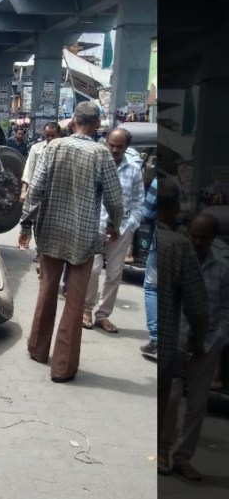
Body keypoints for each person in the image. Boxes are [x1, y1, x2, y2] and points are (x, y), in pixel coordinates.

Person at [18, 101, 123, 383]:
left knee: (47, 290)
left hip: (50, 231)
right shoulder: (102, 155)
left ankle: (38, 349)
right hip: (84, 237)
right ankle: (62, 368)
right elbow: (114, 199)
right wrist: (114, 225)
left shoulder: (53, 148)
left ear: (73, 121)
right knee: (75, 302)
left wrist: (25, 226)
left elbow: (36, 189)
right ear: (97, 124)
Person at [159, 213, 229, 481]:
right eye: (194, 236)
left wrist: (211, 343)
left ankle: (183, 458)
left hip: (206, 347)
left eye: (204, 238)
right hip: (176, 344)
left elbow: (225, 313)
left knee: (197, 406)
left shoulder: (222, 269)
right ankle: (162, 450)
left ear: (213, 239)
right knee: (171, 399)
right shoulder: (179, 259)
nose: (198, 242)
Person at [154, 182, 208, 476]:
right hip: (165, 351)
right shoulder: (179, 245)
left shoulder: (154, 241)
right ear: (174, 208)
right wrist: (197, 342)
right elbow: (198, 307)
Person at [82, 127, 145, 332]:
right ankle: (86, 309)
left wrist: (130, 226)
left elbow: (138, 202)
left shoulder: (134, 170)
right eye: (111, 145)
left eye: (119, 147)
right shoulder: (95, 166)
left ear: (126, 147)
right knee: (92, 270)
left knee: (114, 275)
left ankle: (103, 315)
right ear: (105, 143)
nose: (114, 150)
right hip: (95, 227)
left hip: (122, 229)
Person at [141, 177, 159, 357]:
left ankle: (156, 339)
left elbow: (146, 213)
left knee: (152, 288)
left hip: (160, 244)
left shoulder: (157, 183)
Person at [20, 122, 60, 204]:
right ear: (44, 133)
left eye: (53, 136)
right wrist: (23, 191)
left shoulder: (63, 150)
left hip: (55, 193)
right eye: (47, 135)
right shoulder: (36, 148)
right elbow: (28, 171)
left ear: (58, 135)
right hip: (37, 191)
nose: (50, 138)